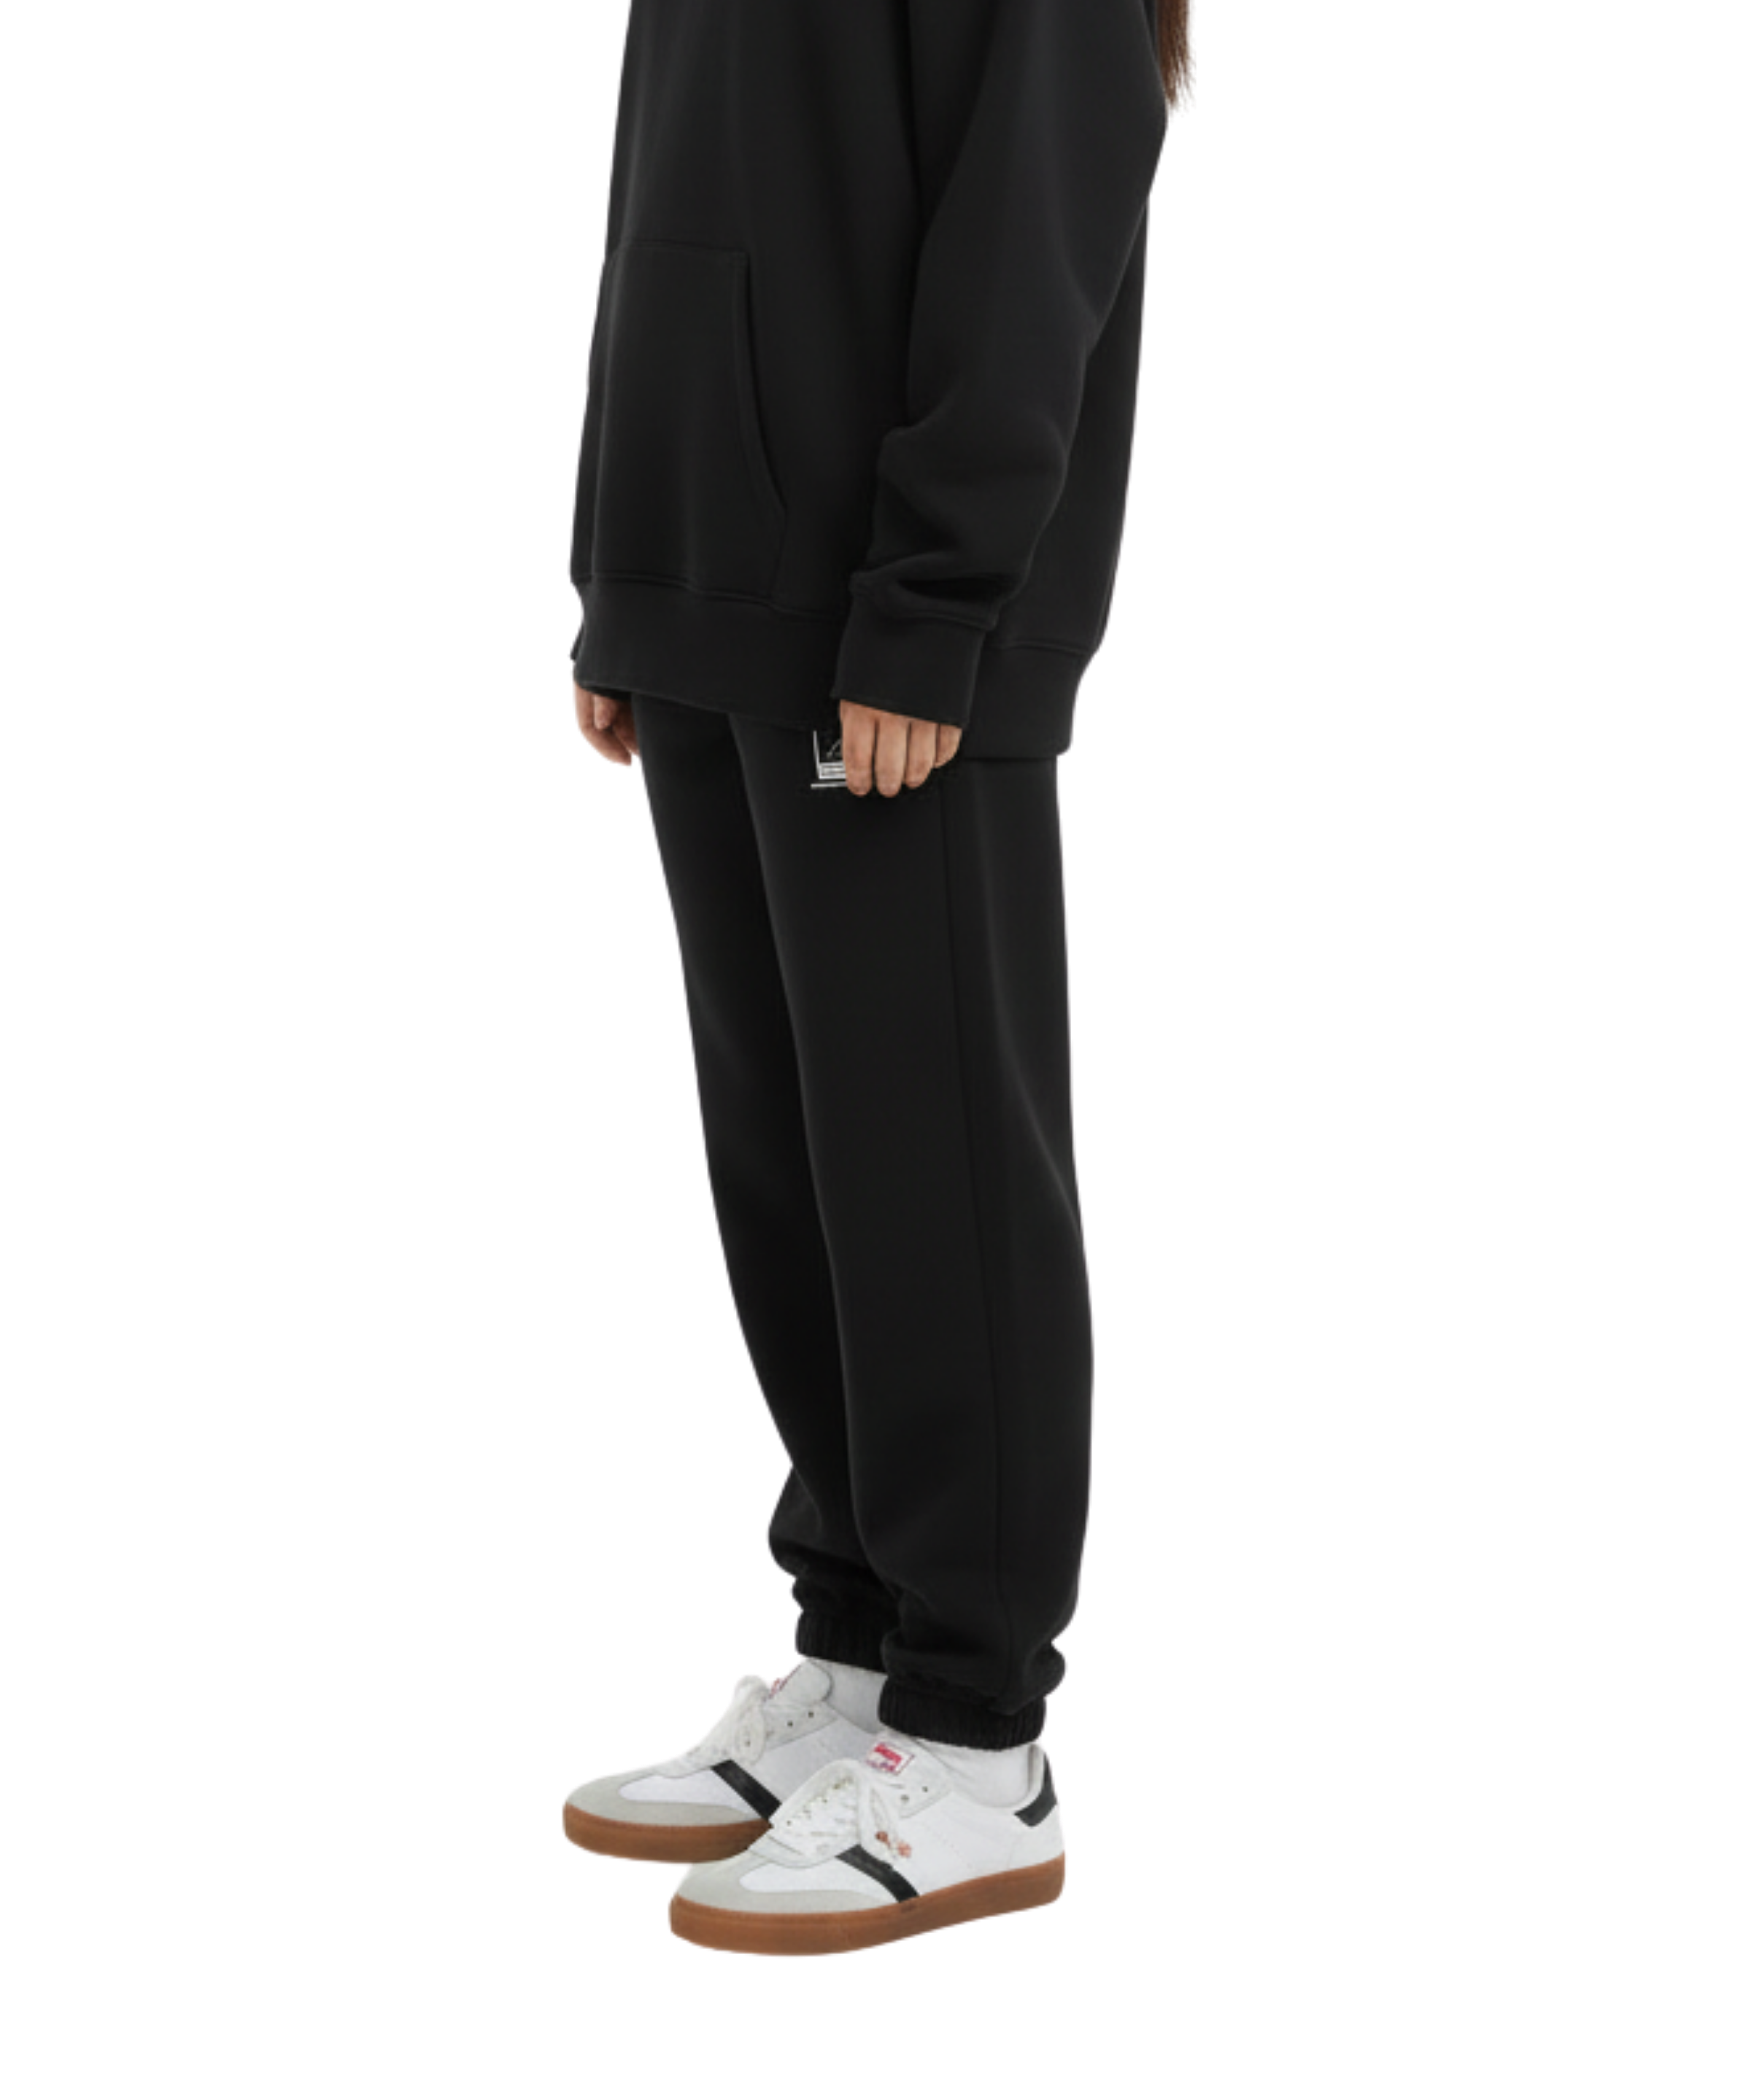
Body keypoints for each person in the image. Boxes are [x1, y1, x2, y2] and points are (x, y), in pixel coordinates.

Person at [563, 0, 1194, 1958]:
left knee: (932, 1172)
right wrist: (623, 573)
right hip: (715, 584)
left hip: (888, 622)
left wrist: (934, 605)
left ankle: (980, 1735)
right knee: (791, 1166)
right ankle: (857, 1656)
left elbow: (1038, 222)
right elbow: (670, 195)